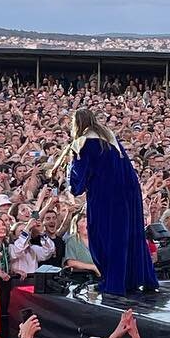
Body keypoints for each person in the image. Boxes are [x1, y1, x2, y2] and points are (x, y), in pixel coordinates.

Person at [64, 109, 158, 296]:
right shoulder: (110, 138)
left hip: (105, 196)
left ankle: (114, 283)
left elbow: (78, 182)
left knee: (106, 238)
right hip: (129, 195)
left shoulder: (82, 143)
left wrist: (71, 182)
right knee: (129, 236)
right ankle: (133, 280)